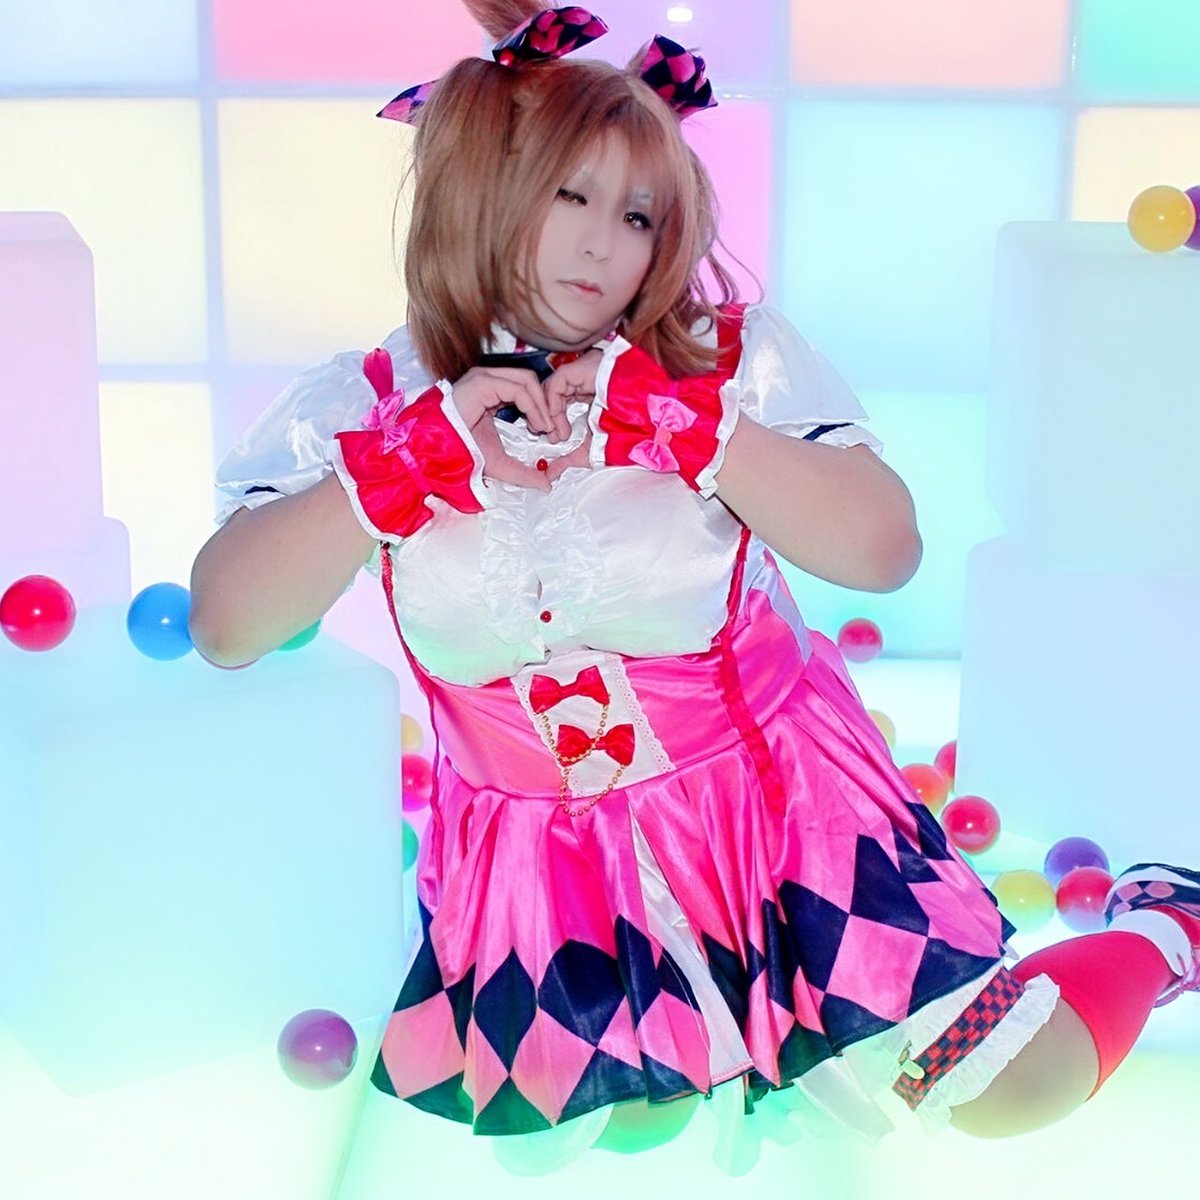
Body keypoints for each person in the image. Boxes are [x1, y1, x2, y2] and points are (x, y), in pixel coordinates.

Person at [189, 0, 1200, 1164]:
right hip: (543, 873)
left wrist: (694, 428)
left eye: (636, 213)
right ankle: (715, 1057)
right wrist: (403, 467)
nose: (601, 246)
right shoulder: (365, 401)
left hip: (778, 820)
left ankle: (1168, 924)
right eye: (567, 196)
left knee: (1001, 1084)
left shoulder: (716, 358)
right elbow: (228, 624)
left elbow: (884, 553)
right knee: (592, 1142)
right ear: (478, 190)